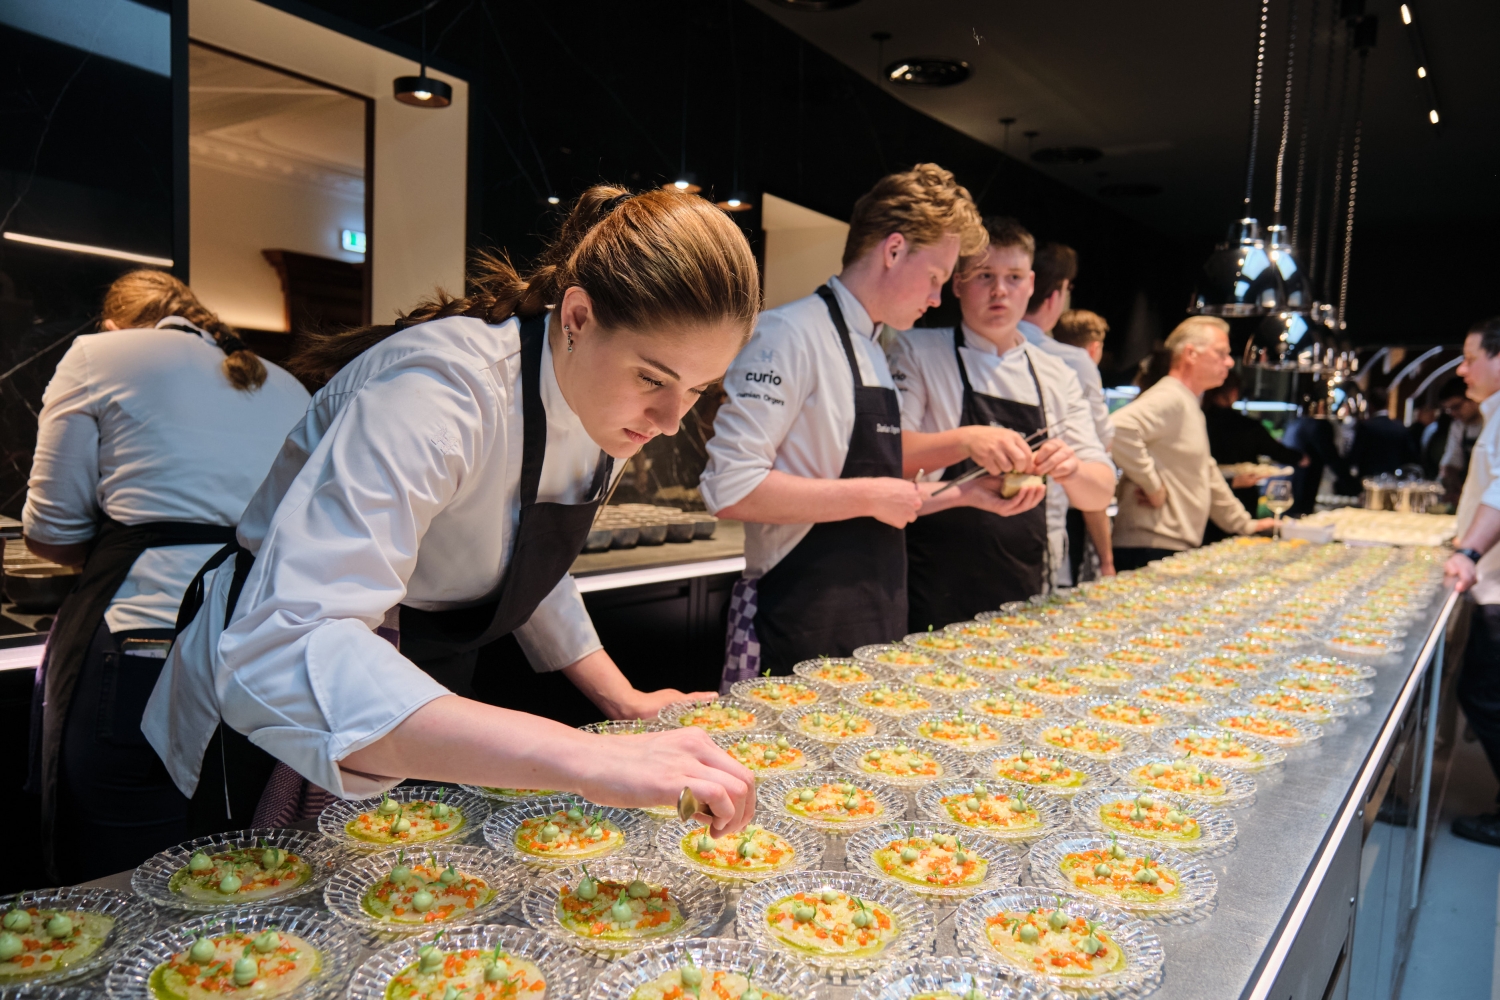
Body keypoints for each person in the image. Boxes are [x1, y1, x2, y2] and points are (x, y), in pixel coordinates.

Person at [144, 187, 759, 840]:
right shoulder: (440, 391)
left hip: (426, 680)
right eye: (653, 379)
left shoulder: (599, 401)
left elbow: (522, 562)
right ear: (577, 318)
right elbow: (289, 644)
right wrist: (590, 758)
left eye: (697, 390)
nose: (671, 422)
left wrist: (622, 700)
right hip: (283, 693)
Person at [21, 270, 312, 882]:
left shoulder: (99, 355)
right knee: (235, 867)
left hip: (140, 649)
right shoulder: (285, 384)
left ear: (114, 324)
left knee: (121, 875)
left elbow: (50, 532)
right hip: (258, 657)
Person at [701, 164, 1022, 680]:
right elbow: (730, 488)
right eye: (936, 277)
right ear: (893, 251)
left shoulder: (873, 348)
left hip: (873, 612)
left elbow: (877, 497)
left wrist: (967, 494)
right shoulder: (788, 334)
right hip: (795, 615)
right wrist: (873, 495)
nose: (937, 298)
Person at [889, 217, 1114, 628]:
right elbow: (890, 458)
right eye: (984, 275)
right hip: (931, 575)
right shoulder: (916, 350)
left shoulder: (1056, 373)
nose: (999, 291)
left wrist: (1073, 468)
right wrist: (965, 439)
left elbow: (1098, 491)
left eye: (1012, 277)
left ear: (1030, 285)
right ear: (957, 284)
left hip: (1029, 581)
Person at [1108, 316, 1274, 571]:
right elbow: (1118, 427)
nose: (1229, 362)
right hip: (1149, 546)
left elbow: (1205, 473)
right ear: (1191, 354)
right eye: (1221, 353)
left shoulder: (1188, 402)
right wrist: (1152, 486)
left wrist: (1244, 525)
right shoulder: (1171, 396)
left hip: (1164, 545)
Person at [1016, 244, 1113, 586]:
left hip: (1042, 533)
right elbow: (1102, 449)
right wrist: (1107, 559)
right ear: (1057, 294)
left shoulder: (1059, 366)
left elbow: (1097, 474)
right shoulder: (1072, 362)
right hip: (1054, 521)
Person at [1441, 318, 1500, 846]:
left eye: (1469, 357)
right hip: (1490, 582)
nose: (1462, 369)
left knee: (1485, 694)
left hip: (1495, 587)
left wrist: (1467, 551)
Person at [1201, 369, 1306, 543]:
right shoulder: (1247, 425)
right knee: (1235, 547)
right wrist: (1302, 458)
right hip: (1240, 496)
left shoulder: (1199, 421)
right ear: (1234, 392)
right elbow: (1279, 452)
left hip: (1205, 503)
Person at [1052, 308, 1118, 578]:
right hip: (1071, 510)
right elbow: (1100, 449)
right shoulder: (1083, 366)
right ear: (1094, 348)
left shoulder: (1036, 358)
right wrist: (1107, 560)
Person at [1345, 385, 1419, 481]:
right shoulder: (1400, 427)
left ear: (1369, 405)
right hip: (1394, 480)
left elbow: (1354, 456)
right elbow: (1411, 457)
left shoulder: (1366, 427)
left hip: (1369, 480)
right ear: (1387, 403)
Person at [1440, 376, 1484, 501]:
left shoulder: (1493, 422)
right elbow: (1452, 461)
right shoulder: (1458, 426)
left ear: (1473, 400)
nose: (1453, 413)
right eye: (1449, 410)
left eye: (1456, 407)